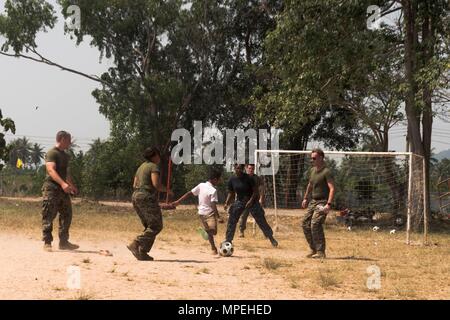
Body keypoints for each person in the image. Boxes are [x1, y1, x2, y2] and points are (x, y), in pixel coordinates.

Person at [127, 146, 172, 261]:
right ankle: (136, 243)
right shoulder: (153, 166)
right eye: (158, 155)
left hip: (136, 196)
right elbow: (156, 184)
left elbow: (134, 184)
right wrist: (167, 190)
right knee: (156, 226)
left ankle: (142, 251)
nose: (159, 158)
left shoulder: (141, 167)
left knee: (150, 226)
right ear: (154, 156)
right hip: (146, 196)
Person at [41, 130, 79, 252]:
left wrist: (71, 185)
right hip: (51, 188)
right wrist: (62, 184)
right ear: (62, 139)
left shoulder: (65, 155)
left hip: (63, 190)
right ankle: (47, 242)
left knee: (67, 214)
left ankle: (64, 242)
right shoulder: (52, 153)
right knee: (48, 214)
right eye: (68, 140)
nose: (70, 143)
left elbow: (66, 173)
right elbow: (51, 170)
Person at [224, 164, 278, 247]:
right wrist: (226, 203)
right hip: (240, 202)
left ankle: (271, 237)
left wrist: (250, 201)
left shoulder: (249, 178)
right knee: (232, 220)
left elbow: (255, 191)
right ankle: (228, 240)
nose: (238, 170)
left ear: (243, 169)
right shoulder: (232, 179)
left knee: (261, 220)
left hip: (252, 201)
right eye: (237, 168)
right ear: (234, 169)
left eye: (240, 168)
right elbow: (231, 193)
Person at [171, 168, 223, 255]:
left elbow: (189, 193)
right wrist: (218, 217)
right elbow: (213, 204)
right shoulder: (213, 190)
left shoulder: (201, 185)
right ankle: (205, 232)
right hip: (209, 213)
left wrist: (178, 201)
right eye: (219, 179)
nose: (219, 181)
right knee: (213, 231)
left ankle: (213, 249)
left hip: (201, 213)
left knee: (209, 231)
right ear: (215, 179)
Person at [301, 148, 335, 259]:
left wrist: (328, 205)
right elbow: (310, 185)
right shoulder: (312, 170)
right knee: (305, 223)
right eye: (311, 158)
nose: (312, 160)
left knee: (315, 224)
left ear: (321, 158)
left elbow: (332, 188)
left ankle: (321, 252)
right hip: (313, 201)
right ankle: (313, 248)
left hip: (322, 202)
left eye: (314, 158)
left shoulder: (326, 172)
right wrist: (305, 198)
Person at [238, 164, 265, 238]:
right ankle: (241, 231)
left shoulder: (257, 178)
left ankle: (265, 232)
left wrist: (261, 198)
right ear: (246, 169)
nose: (251, 170)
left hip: (255, 201)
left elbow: (262, 187)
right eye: (249, 168)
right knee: (243, 216)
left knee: (260, 216)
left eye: (252, 169)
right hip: (245, 201)